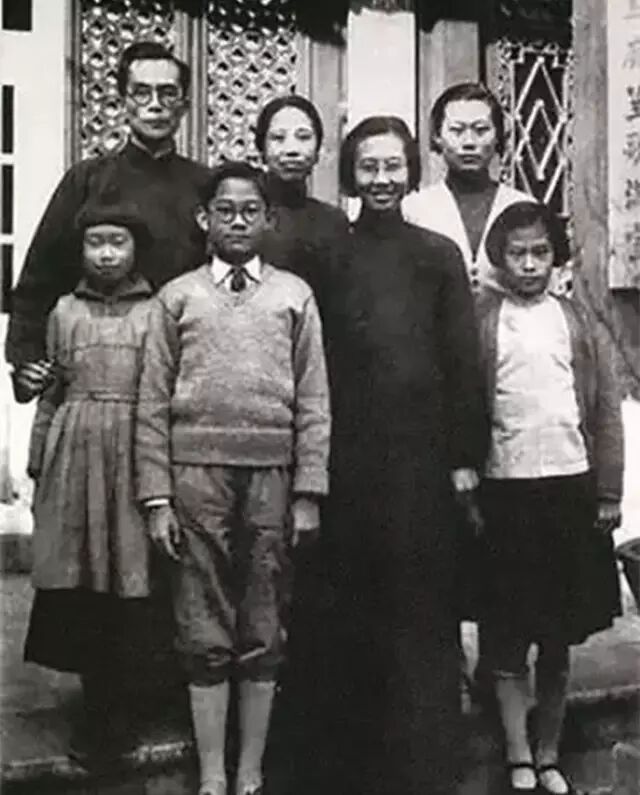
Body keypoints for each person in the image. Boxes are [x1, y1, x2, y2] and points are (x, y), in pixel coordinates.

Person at [135, 161, 330, 795]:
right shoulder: (178, 297)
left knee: (263, 618)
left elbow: (314, 399)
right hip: (195, 476)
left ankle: (250, 774)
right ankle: (213, 776)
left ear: (269, 220)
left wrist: (308, 491)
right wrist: (157, 497)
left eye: (250, 211)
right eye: (225, 211)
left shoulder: (294, 295)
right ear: (204, 219)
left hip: (273, 474)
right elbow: (152, 401)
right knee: (202, 619)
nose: (238, 222)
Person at [324, 116, 485, 795]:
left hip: (422, 461)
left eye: (393, 166)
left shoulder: (437, 254)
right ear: (351, 174)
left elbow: (462, 361)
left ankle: (426, 766)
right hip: (349, 460)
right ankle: (356, 766)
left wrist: (464, 457)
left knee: (423, 609)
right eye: (369, 167)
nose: (382, 179)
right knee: (354, 606)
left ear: (412, 170)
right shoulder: (332, 252)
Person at [476, 201, 623, 795]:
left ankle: (548, 751)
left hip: (569, 490)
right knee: (507, 630)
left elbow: (605, 409)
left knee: (558, 634)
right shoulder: (482, 320)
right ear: (499, 259)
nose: (530, 264)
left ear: (555, 257)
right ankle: (516, 752)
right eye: (517, 254)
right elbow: (464, 405)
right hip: (505, 492)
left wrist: (608, 491)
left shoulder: (577, 320)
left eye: (540, 252)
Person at [23, 196, 158, 761]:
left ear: (135, 250)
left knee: (129, 575)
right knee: (80, 578)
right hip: (75, 456)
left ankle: (125, 708)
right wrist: (39, 461)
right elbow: (50, 395)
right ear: (80, 250)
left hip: (133, 453)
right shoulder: (63, 311)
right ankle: (93, 704)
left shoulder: (155, 312)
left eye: (117, 243)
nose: (106, 254)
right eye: (95, 243)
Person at [7, 40, 213, 401]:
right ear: (123, 101)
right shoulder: (88, 179)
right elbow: (41, 274)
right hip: (99, 365)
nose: (155, 105)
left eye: (168, 93)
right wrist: (26, 356)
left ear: (184, 105)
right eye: (141, 92)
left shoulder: (204, 185)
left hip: (183, 367)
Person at [403, 82, 532, 292]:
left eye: (481, 130)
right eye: (457, 130)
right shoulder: (413, 210)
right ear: (438, 136)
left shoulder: (523, 208)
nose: (469, 142)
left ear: (498, 135)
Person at [255, 94, 349, 317]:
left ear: (317, 152)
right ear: (262, 150)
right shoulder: (246, 216)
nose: (292, 150)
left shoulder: (332, 222)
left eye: (303, 137)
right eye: (278, 138)